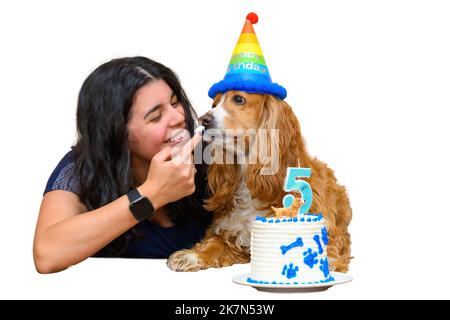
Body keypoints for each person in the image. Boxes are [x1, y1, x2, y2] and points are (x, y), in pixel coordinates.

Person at [33, 57, 212, 274]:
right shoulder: (83, 168)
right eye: (155, 117)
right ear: (118, 134)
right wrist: (152, 195)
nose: (178, 117)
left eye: (175, 103)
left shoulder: (211, 153)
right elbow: (47, 255)